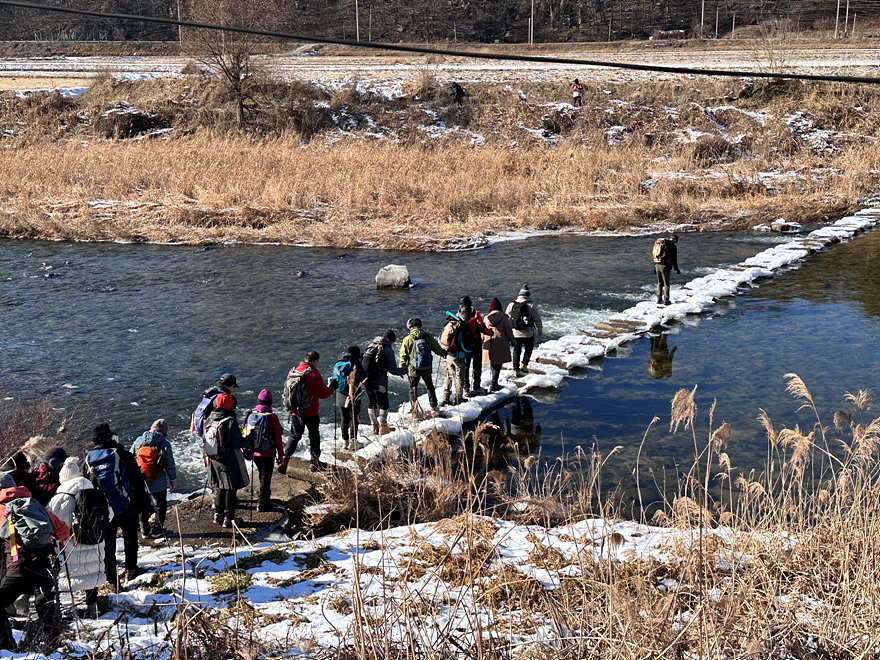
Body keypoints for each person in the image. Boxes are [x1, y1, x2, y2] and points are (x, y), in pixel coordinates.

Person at [0, 475, 69, 651]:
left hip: (20, 566)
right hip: (47, 563)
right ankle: (54, 645)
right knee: (45, 603)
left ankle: (6, 647)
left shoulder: (1, 509)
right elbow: (63, 532)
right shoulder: (35, 505)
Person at [47, 457, 112, 619]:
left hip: (70, 542)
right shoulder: (95, 492)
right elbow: (109, 514)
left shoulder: (58, 498)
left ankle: (62, 609)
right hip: (93, 540)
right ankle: (92, 607)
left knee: (69, 574)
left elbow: (51, 521)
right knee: (91, 572)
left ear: (63, 479)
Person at [87, 422, 148, 589]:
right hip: (126, 505)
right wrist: (143, 503)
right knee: (130, 537)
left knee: (108, 546)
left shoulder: (88, 460)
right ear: (110, 436)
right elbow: (137, 481)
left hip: (104, 510)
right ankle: (131, 569)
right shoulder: (123, 455)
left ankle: (113, 581)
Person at [282, 351, 336, 472]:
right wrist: (332, 387)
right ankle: (314, 463)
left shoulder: (293, 371)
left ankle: (284, 460)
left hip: (295, 411)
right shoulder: (314, 374)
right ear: (315, 361)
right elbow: (323, 394)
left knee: (295, 435)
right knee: (314, 437)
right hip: (310, 412)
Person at [205, 393, 248, 526]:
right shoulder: (230, 421)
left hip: (213, 458)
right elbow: (237, 443)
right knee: (230, 487)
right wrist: (250, 440)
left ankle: (218, 515)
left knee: (219, 486)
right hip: (228, 458)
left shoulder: (209, 418)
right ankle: (229, 518)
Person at [130, 419, 177, 539]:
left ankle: (144, 530)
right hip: (158, 480)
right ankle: (157, 530)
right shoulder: (164, 444)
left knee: (143, 505)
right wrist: (173, 480)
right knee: (160, 505)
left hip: (142, 481)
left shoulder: (139, 441)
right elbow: (170, 465)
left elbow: (130, 459)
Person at [243, 390, 284, 512]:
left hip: (255, 453)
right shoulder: (272, 417)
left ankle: (264, 498)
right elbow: (278, 438)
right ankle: (262, 503)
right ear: (270, 402)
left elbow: (245, 432)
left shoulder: (251, 415)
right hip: (268, 453)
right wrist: (281, 455)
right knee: (266, 477)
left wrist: (245, 449)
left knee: (262, 474)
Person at [362, 330, 408, 436]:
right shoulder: (387, 350)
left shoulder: (371, 346)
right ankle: (383, 427)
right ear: (391, 340)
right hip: (379, 381)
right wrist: (405, 370)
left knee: (371, 403)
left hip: (366, 380)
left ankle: (374, 426)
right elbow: (392, 370)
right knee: (383, 404)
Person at [399, 318, 446, 414]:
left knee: (413, 389)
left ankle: (414, 409)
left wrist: (402, 368)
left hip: (413, 368)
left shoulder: (407, 339)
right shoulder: (428, 336)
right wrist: (444, 353)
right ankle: (434, 406)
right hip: (426, 367)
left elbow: (403, 356)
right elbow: (437, 349)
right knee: (429, 387)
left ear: (411, 327)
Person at [331, 347, 368, 451]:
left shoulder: (338, 363)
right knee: (354, 418)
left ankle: (345, 441)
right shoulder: (356, 363)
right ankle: (353, 441)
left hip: (340, 394)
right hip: (353, 394)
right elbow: (364, 378)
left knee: (344, 418)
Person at [505, 284, 543, 378]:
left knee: (516, 350)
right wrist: (539, 329)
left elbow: (506, 318)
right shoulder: (531, 305)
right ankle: (524, 365)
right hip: (528, 333)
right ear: (528, 295)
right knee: (528, 349)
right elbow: (537, 319)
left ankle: (515, 370)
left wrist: (507, 330)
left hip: (515, 332)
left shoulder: (511, 304)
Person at [483, 298, 516, 392]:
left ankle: (493, 382)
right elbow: (509, 332)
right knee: (498, 364)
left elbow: (482, 332)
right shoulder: (504, 318)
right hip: (501, 343)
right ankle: (494, 384)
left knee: (492, 362)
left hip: (489, 343)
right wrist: (513, 342)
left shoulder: (486, 318)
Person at [191, 373, 239, 438]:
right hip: (208, 430)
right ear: (230, 385)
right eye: (233, 386)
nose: (233, 389)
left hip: (197, 425)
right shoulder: (222, 398)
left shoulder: (209, 393)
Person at [440, 311, 471, 406]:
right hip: (459, 355)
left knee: (449, 376)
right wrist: (470, 350)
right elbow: (463, 345)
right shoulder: (461, 327)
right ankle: (458, 398)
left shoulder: (449, 324)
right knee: (459, 377)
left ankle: (446, 398)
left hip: (449, 354)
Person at [459, 296, 488, 396]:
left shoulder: (458, 314)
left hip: (464, 345)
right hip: (476, 343)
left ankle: (466, 388)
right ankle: (476, 387)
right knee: (477, 365)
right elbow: (482, 327)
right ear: (470, 303)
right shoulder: (475, 313)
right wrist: (491, 333)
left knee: (465, 367)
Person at [653, 234, 680, 306]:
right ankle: (666, 300)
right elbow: (673, 258)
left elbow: (655, 255)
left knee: (659, 283)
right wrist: (676, 268)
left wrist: (654, 267)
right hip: (665, 266)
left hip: (657, 264)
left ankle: (659, 299)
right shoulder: (672, 246)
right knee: (666, 284)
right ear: (674, 240)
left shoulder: (660, 244)